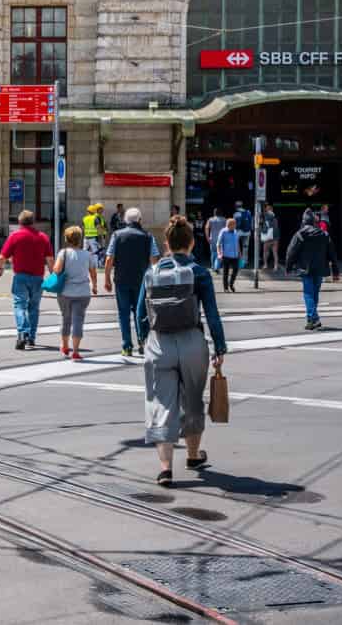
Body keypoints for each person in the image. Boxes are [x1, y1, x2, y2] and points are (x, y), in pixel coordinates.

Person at [135, 215, 227, 488]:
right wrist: (219, 346)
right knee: (193, 401)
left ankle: (165, 468)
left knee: (161, 403)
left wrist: (144, 341)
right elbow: (211, 312)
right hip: (191, 342)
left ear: (166, 243)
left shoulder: (152, 272)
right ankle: (193, 455)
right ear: (191, 242)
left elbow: (140, 312)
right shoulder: (199, 272)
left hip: (159, 342)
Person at [0, 209, 52, 351]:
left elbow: (2, 257)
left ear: (20, 222)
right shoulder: (43, 237)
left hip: (20, 277)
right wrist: (54, 277)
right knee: (34, 308)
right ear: (33, 222)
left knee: (19, 306)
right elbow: (50, 260)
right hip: (38, 278)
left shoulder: (15, 236)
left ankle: (23, 333)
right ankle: (31, 338)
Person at [103, 207, 156, 358]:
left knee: (123, 313)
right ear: (139, 220)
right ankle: (141, 341)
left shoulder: (117, 235)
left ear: (126, 221)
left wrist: (107, 278)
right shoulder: (148, 236)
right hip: (141, 281)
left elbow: (109, 258)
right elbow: (154, 259)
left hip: (121, 279)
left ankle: (126, 346)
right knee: (140, 312)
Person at [51, 225, 97, 360]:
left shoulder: (63, 253)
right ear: (80, 239)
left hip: (65, 292)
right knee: (78, 321)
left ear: (66, 239)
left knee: (66, 319)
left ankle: (65, 346)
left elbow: (57, 270)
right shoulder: (88, 255)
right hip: (83, 293)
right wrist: (94, 286)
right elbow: (93, 273)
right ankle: (76, 351)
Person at [285, 208, 333, 330]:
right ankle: (311, 320)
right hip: (320, 269)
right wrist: (336, 270)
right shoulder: (324, 234)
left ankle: (314, 318)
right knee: (314, 294)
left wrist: (288, 267)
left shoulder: (300, 234)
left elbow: (291, 252)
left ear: (304, 221)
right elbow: (332, 253)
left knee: (308, 294)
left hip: (306, 269)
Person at [214, 217, 241, 292]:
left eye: (235, 225)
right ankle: (225, 288)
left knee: (236, 270)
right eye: (234, 225)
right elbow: (218, 244)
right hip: (226, 255)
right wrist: (219, 254)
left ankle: (231, 284)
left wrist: (239, 252)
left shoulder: (235, 232)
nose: (235, 226)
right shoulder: (223, 231)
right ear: (229, 225)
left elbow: (237, 243)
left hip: (235, 255)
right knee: (225, 272)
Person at [257, 205, 279, 274]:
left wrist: (260, 233)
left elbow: (261, 226)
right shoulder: (275, 218)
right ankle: (275, 266)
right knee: (275, 252)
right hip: (275, 237)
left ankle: (265, 264)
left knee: (265, 251)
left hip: (267, 237)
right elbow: (276, 227)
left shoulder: (265, 217)